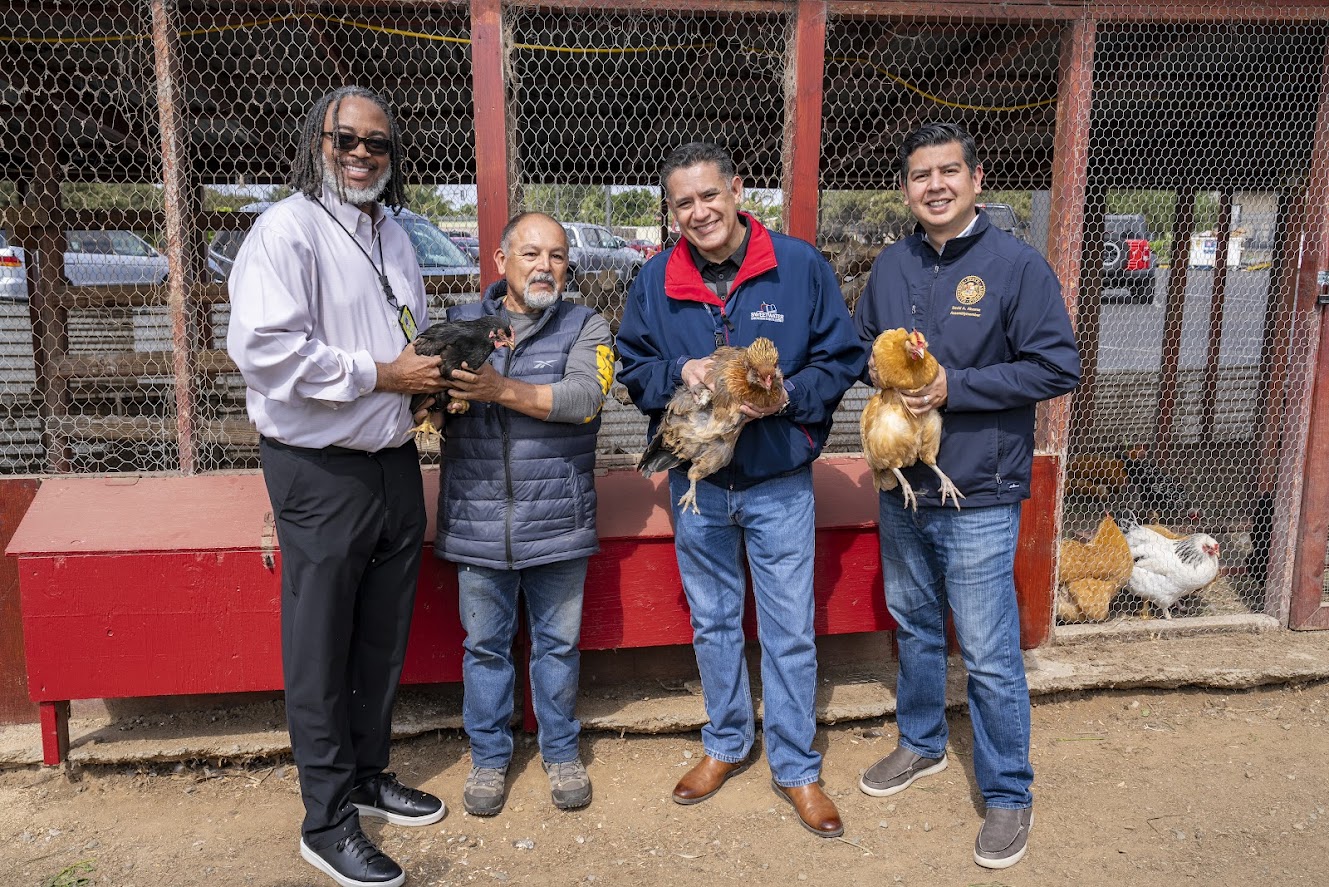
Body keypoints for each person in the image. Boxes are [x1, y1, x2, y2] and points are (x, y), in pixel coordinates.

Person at [227, 86, 446, 887]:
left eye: (377, 144)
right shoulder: (284, 231)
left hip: (391, 460)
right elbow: (268, 354)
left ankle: (366, 774)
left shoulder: (392, 232)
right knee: (319, 648)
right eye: (346, 138)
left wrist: (427, 376)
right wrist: (384, 371)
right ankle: (325, 820)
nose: (362, 153)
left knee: (381, 636)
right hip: (318, 469)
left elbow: (399, 333)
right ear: (316, 139)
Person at [616, 142, 866, 838]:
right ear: (670, 212)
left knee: (787, 628)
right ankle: (726, 742)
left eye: (708, 196)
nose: (698, 212)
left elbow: (841, 358)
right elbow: (631, 364)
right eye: (683, 203)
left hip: (776, 478)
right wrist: (679, 369)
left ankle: (795, 765)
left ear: (737, 190)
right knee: (713, 619)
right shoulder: (655, 278)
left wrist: (786, 398)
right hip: (697, 480)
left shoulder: (797, 265)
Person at [851, 122, 1081, 870]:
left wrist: (959, 386)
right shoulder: (889, 265)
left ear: (976, 179)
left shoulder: (1016, 267)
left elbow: (1055, 366)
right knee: (914, 628)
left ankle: (1009, 791)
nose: (935, 185)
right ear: (905, 189)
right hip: (902, 486)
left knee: (985, 652)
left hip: (979, 488)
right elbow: (864, 349)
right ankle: (921, 744)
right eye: (920, 175)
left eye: (949, 171)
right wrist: (884, 377)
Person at [432, 211, 614, 818]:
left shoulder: (586, 325)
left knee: (557, 647)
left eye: (558, 256)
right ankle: (489, 757)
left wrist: (498, 391)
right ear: (500, 262)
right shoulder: (460, 324)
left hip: (557, 520)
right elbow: (423, 399)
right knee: (484, 646)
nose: (545, 266)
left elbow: (585, 400)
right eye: (531, 254)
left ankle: (560, 750)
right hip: (477, 520)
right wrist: (431, 407)